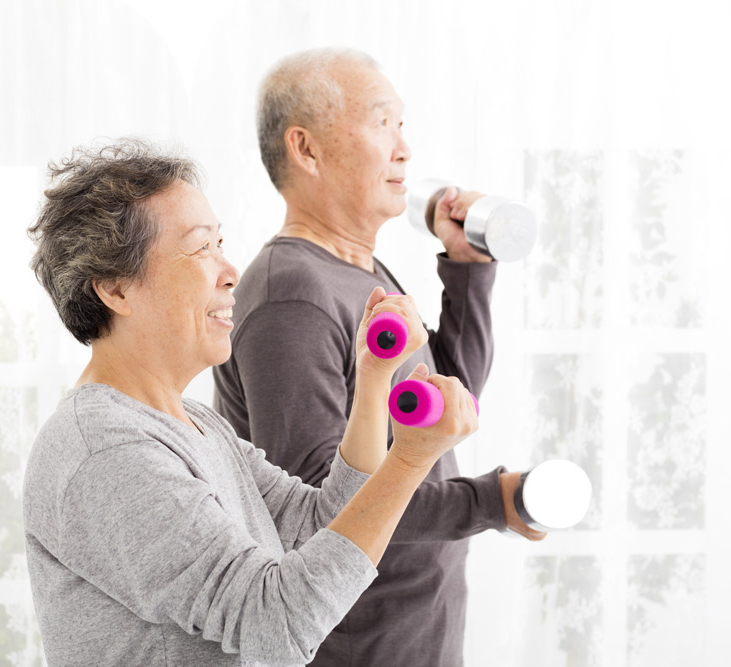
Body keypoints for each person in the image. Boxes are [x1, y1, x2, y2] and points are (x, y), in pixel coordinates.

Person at [22, 139, 481, 667]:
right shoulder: (105, 451)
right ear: (116, 289)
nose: (231, 270)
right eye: (200, 249)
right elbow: (276, 624)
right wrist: (411, 459)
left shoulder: (194, 424)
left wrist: (373, 380)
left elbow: (320, 523)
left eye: (221, 243)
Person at [212, 48, 545, 667]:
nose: (404, 149)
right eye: (381, 122)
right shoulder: (291, 292)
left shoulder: (359, 273)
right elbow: (319, 506)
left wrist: (468, 271)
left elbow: (449, 402)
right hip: (353, 646)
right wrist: (489, 503)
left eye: (402, 125)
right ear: (306, 150)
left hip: (419, 631)